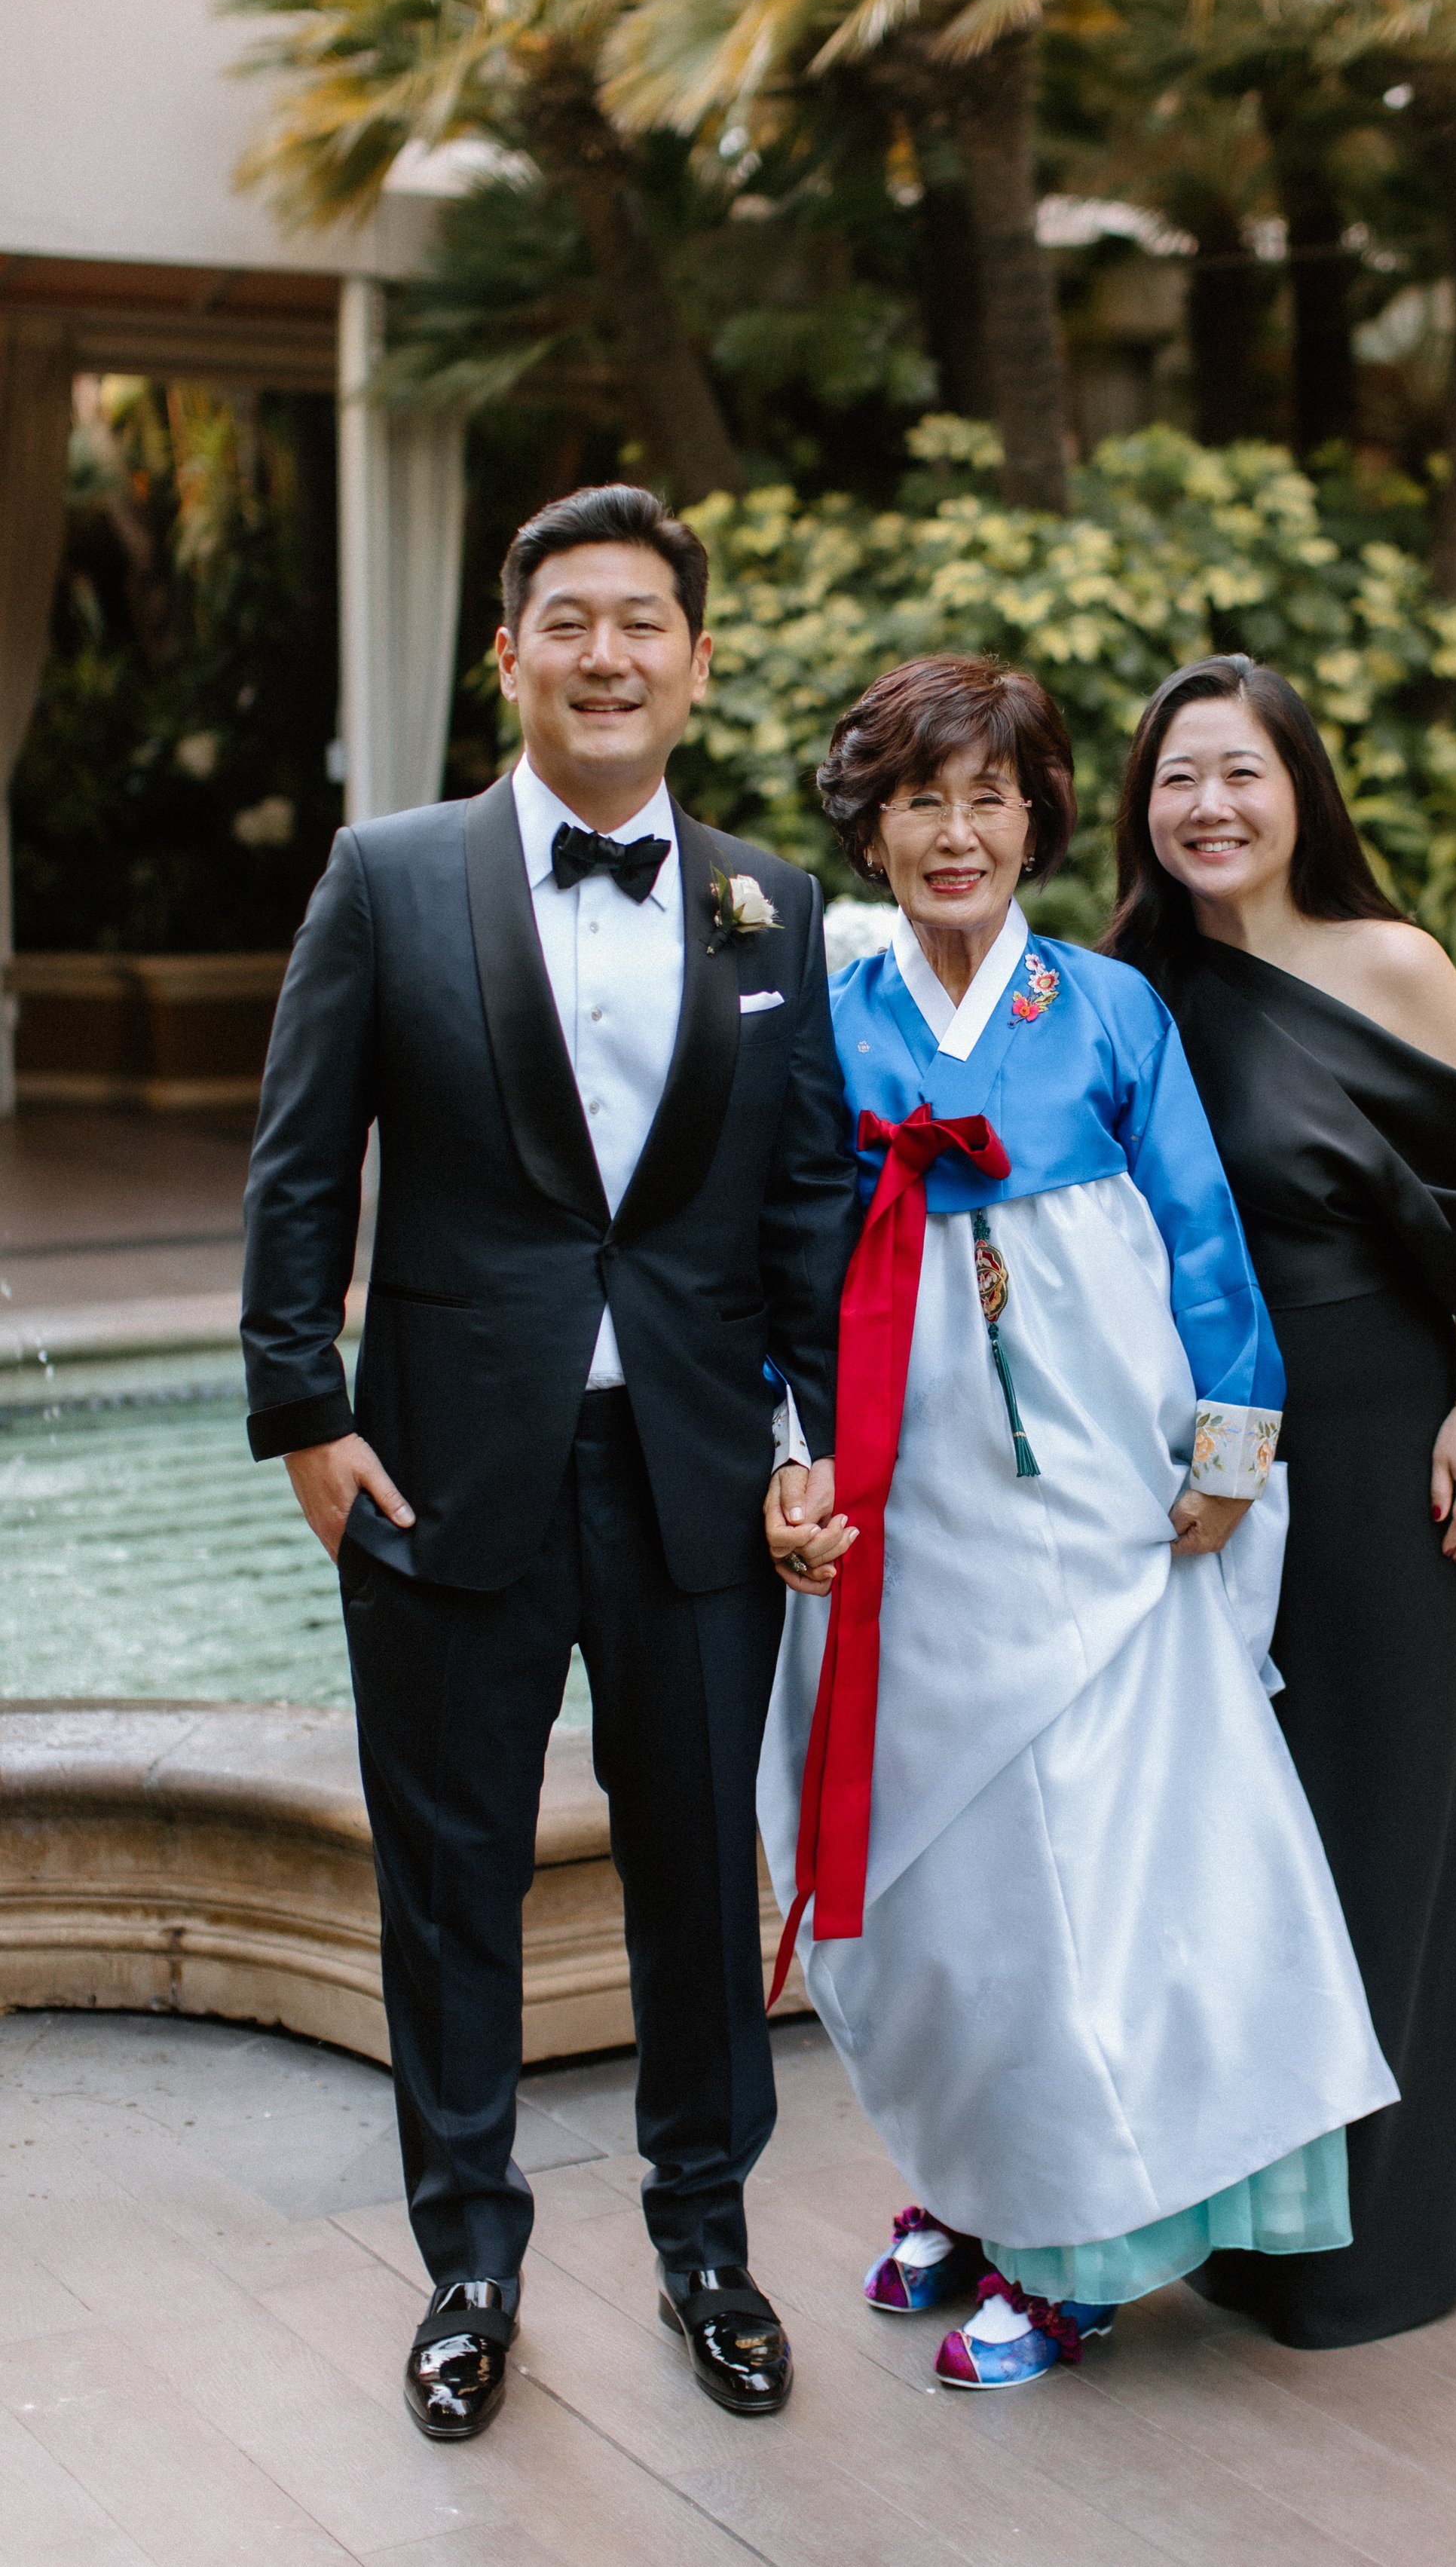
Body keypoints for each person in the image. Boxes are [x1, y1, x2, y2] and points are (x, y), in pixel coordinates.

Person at [241, 484, 858, 2438]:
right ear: (506, 655)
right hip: (439, 1470)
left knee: (696, 1865)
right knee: (453, 1876)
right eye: (568, 621)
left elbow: (808, 1194)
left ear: (692, 656)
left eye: (643, 620)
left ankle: (705, 2238)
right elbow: (297, 1158)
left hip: (694, 1477)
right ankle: (469, 2255)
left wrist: (811, 1438)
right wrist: (304, 1413)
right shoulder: (388, 873)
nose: (607, 652)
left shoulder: (774, 903)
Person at [757, 653, 1395, 2394]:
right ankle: (974, 2186)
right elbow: (776, 1260)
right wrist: (790, 1454)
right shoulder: (819, 1017)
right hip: (905, 1502)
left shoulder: (1112, 1010)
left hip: (1106, 1509)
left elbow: (1198, 1235)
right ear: (870, 826)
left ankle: (1085, 2248)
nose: (954, 834)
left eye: (989, 796)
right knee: (951, 1887)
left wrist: (1227, 1444)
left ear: (1038, 815)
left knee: (1102, 1882)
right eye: (916, 799)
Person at [1103, 653, 1456, 2348]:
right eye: (1174, 780)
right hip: (1192, 1468)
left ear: (1298, 791)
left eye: (1238, 773)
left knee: (1376, 1818)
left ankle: (1381, 2241)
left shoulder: (1392, 968)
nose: (1206, 807)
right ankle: (1242, 2218)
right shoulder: (1126, 985)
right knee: (1224, 1833)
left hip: (1369, 1443)